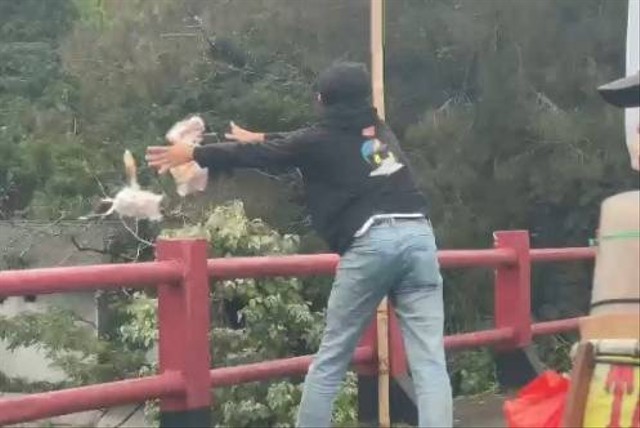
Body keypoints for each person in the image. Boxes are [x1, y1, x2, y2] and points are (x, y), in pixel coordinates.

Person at [146, 61, 453, 428]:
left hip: (372, 241)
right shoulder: (381, 132)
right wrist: (262, 137)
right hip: (419, 237)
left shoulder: (318, 140)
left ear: (323, 100)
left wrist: (195, 154)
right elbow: (305, 141)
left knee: (332, 360)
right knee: (430, 362)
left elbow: (284, 151)